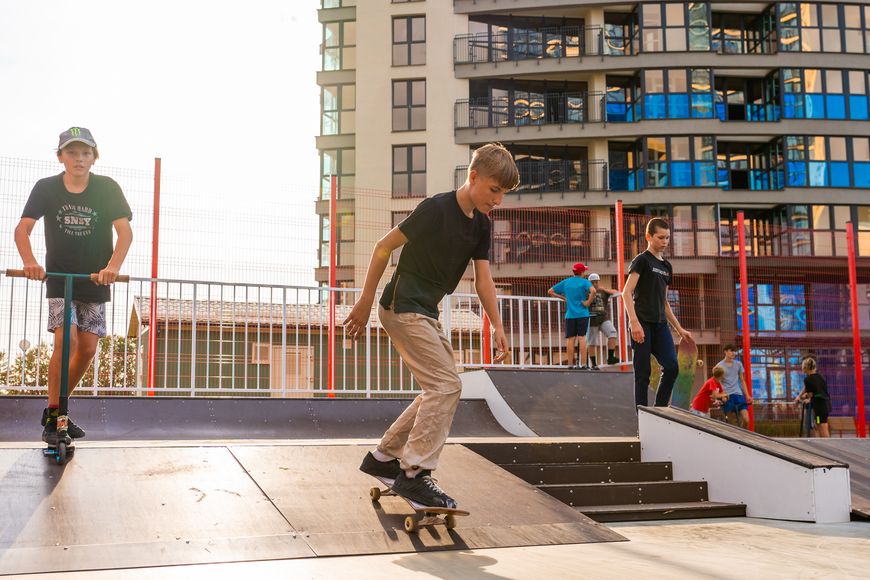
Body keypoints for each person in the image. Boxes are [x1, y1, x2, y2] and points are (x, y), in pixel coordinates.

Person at [345, 143, 517, 508]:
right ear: (473, 178)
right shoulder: (436, 208)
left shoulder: (482, 225)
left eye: (503, 193)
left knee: (438, 388)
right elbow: (382, 246)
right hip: (401, 306)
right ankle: (414, 474)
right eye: (494, 190)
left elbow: (483, 280)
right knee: (446, 385)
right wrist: (364, 300)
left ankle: (382, 457)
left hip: (425, 312)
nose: (498, 200)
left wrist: (497, 325)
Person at [14, 127, 133, 443]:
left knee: (89, 348)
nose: (79, 158)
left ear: (94, 157)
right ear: (60, 157)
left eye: (85, 152)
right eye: (72, 152)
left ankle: (54, 409)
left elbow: (125, 234)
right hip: (60, 280)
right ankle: (56, 415)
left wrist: (112, 268)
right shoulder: (46, 188)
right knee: (67, 342)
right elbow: (22, 230)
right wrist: (30, 262)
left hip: (94, 279)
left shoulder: (107, 189)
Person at [622, 217, 692, 408]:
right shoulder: (641, 261)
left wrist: (679, 329)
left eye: (667, 238)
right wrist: (633, 322)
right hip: (642, 323)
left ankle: (659, 411)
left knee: (671, 367)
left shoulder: (667, 267)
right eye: (660, 238)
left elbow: (664, 302)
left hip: (660, 325)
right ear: (648, 237)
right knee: (642, 374)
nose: (664, 242)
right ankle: (643, 419)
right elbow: (626, 292)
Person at [549, 263, 596, 369]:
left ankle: (570, 364)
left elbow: (550, 291)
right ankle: (583, 364)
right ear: (582, 272)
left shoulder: (566, 282)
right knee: (582, 338)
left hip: (570, 315)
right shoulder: (585, 282)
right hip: (583, 314)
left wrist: (564, 298)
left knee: (570, 339)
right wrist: (588, 302)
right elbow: (593, 291)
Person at [586, 273, 620, 369]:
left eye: (596, 282)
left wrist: (605, 289)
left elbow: (615, 292)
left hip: (603, 318)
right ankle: (594, 364)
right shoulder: (585, 291)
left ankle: (610, 358)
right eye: (592, 282)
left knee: (612, 333)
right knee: (592, 342)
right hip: (591, 319)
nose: (595, 284)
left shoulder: (602, 291)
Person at [794, 356, 831, 438]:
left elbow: (811, 394)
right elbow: (809, 389)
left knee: (822, 425)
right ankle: (820, 443)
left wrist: (807, 398)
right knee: (817, 423)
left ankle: (828, 444)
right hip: (825, 404)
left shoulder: (808, 379)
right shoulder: (820, 377)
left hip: (819, 406)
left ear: (805, 367)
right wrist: (800, 396)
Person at [718, 344, 753, 428]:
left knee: (746, 420)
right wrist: (722, 395)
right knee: (731, 423)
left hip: (739, 394)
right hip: (727, 396)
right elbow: (718, 383)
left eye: (734, 351)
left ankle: (743, 435)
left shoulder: (738, 364)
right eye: (731, 351)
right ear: (725, 352)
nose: (733, 353)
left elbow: (742, 380)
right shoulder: (719, 366)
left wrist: (747, 395)